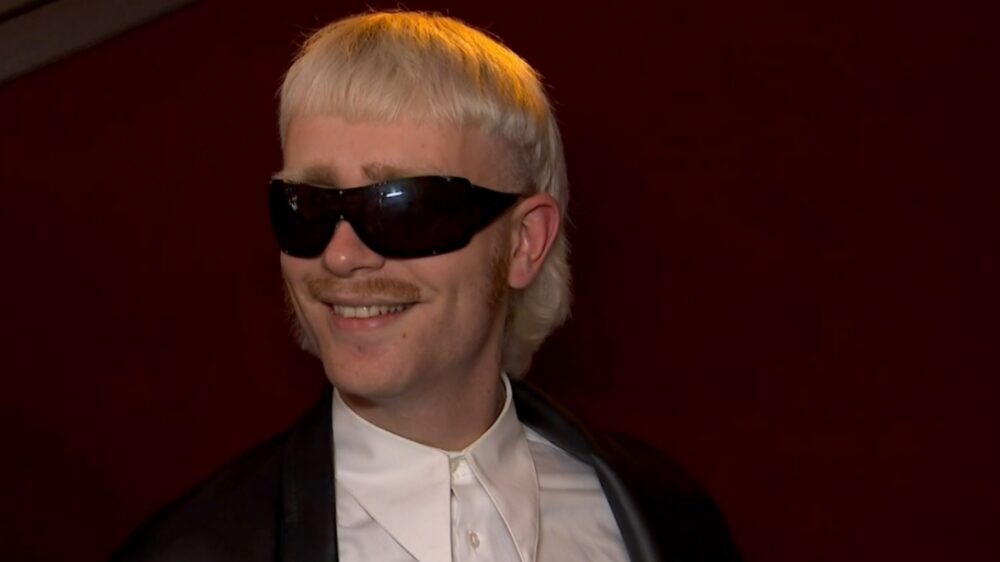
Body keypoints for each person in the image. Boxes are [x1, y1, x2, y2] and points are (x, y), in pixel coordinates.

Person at [111, 10, 742, 562]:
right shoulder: (190, 550)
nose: (340, 255)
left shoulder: (665, 518)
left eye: (402, 206)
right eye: (308, 206)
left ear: (524, 242)